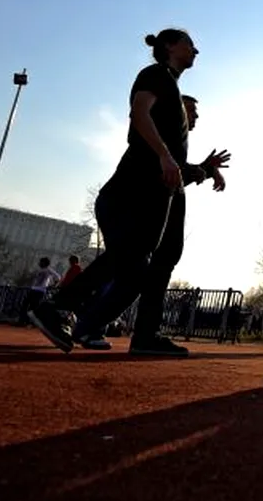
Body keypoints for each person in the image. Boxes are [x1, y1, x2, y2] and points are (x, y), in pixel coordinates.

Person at [29, 29, 220, 357]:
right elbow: (139, 113)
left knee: (135, 274)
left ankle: (98, 328)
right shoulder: (155, 74)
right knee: (133, 252)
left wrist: (197, 168)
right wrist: (163, 155)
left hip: (157, 191)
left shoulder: (171, 85)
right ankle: (58, 307)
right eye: (190, 44)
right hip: (138, 184)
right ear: (170, 46)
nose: (196, 50)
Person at [125, 94, 228, 351]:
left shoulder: (174, 142)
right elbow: (165, 171)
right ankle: (142, 335)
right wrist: (201, 169)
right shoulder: (162, 139)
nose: (195, 117)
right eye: (190, 111)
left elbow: (177, 171)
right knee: (138, 272)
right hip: (156, 220)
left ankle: (145, 334)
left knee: (152, 273)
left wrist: (204, 167)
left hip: (166, 220)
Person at [20, 257, 60, 326]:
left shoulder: (48, 270)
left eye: (41, 262)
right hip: (34, 289)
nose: (39, 263)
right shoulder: (39, 270)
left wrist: (53, 285)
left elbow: (58, 277)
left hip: (40, 291)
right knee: (25, 304)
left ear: (45, 263)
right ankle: (23, 321)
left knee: (33, 307)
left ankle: (31, 322)